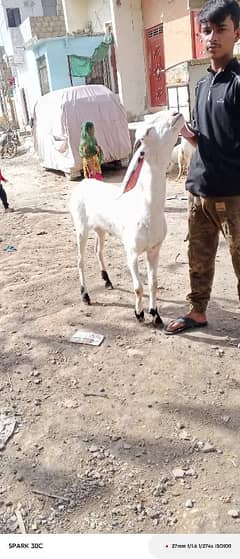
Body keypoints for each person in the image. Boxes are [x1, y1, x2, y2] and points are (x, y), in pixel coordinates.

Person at [165, 0, 240, 335]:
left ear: (236, 32)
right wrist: (186, 134)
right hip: (198, 191)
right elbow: (205, 140)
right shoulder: (201, 85)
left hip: (233, 194)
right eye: (206, 30)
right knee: (198, 256)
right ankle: (197, 311)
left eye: (220, 29)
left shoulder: (238, 82)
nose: (212, 37)